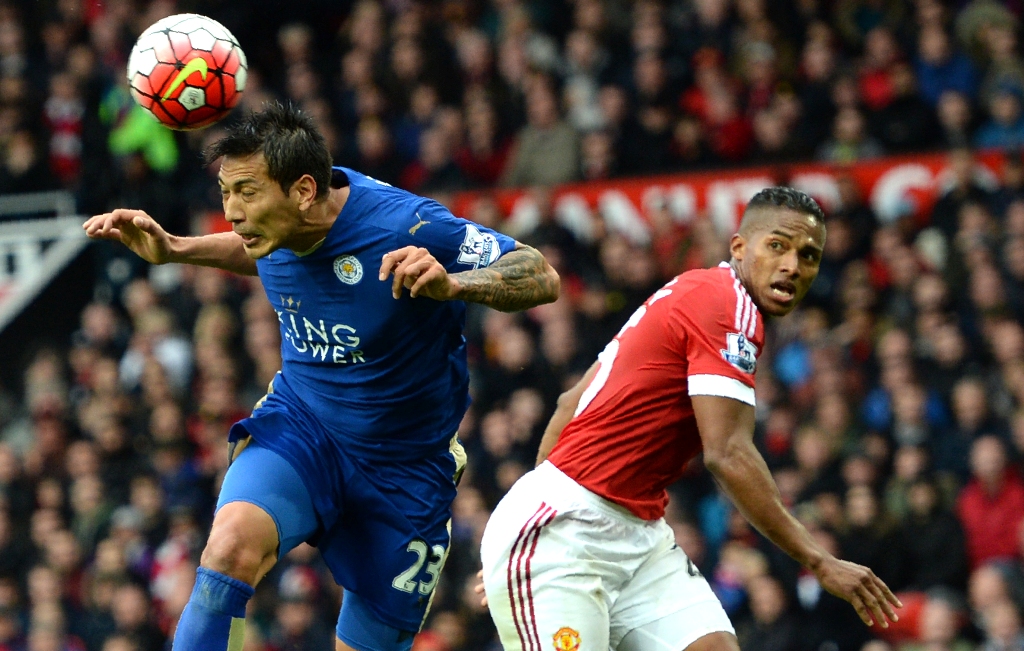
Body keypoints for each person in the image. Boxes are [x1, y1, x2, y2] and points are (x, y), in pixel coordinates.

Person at [83, 101, 559, 651]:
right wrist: (175, 250)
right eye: (225, 193)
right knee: (228, 551)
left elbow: (538, 273)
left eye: (247, 193)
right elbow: (257, 250)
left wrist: (456, 284)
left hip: (405, 469)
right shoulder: (275, 230)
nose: (233, 211)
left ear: (304, 191)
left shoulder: (407, 225)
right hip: (304, 426)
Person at [478, 188, 900, 651]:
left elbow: (568, 404)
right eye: (777, 245)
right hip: (562, 536)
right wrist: (819, 561)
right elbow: (727, 454)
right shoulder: (727, 306)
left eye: (809, 255)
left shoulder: (695, 290)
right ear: (739, 247)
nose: (793, 267)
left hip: (638, 537)